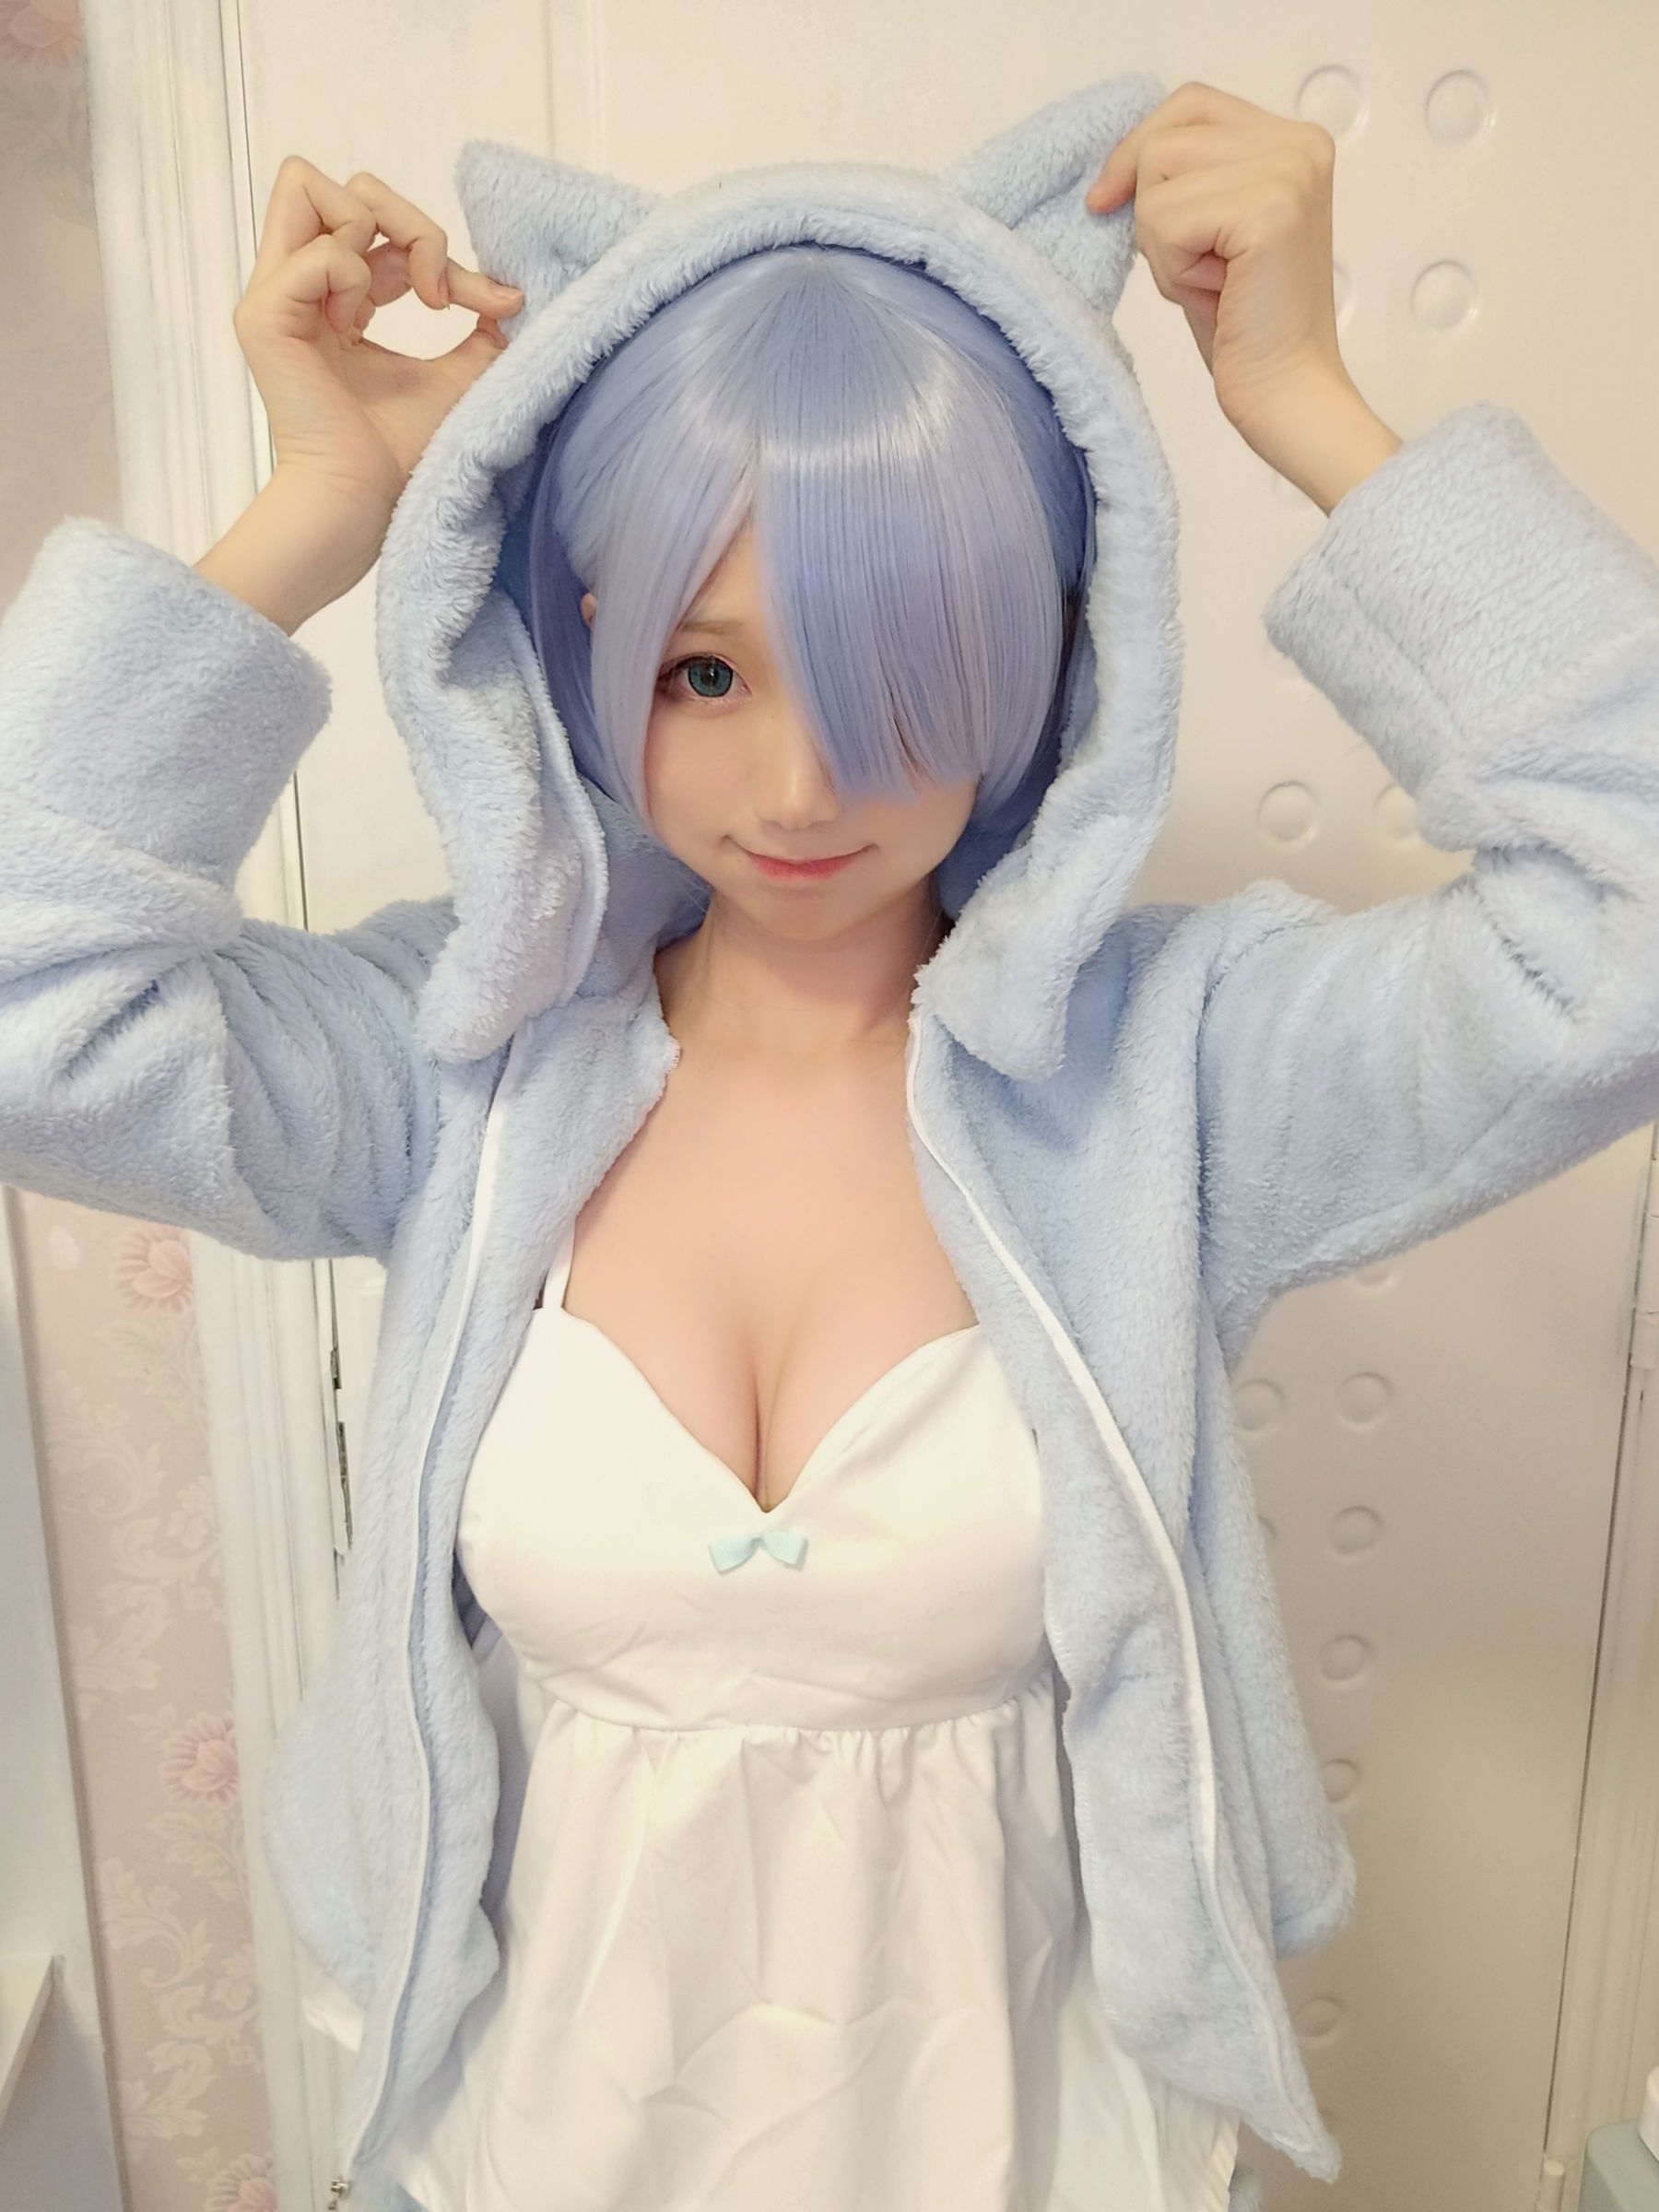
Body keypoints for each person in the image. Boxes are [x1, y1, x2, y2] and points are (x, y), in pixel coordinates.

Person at [4, 68, 1658, 2212]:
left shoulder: (1175, 1074)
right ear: (585, 649)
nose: (801, 787)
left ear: (1056, 660)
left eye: (905, 671)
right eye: (705, 674)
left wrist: (1311, 405)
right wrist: (319, 505)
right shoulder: (461, 1061)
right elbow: (36, 1015)